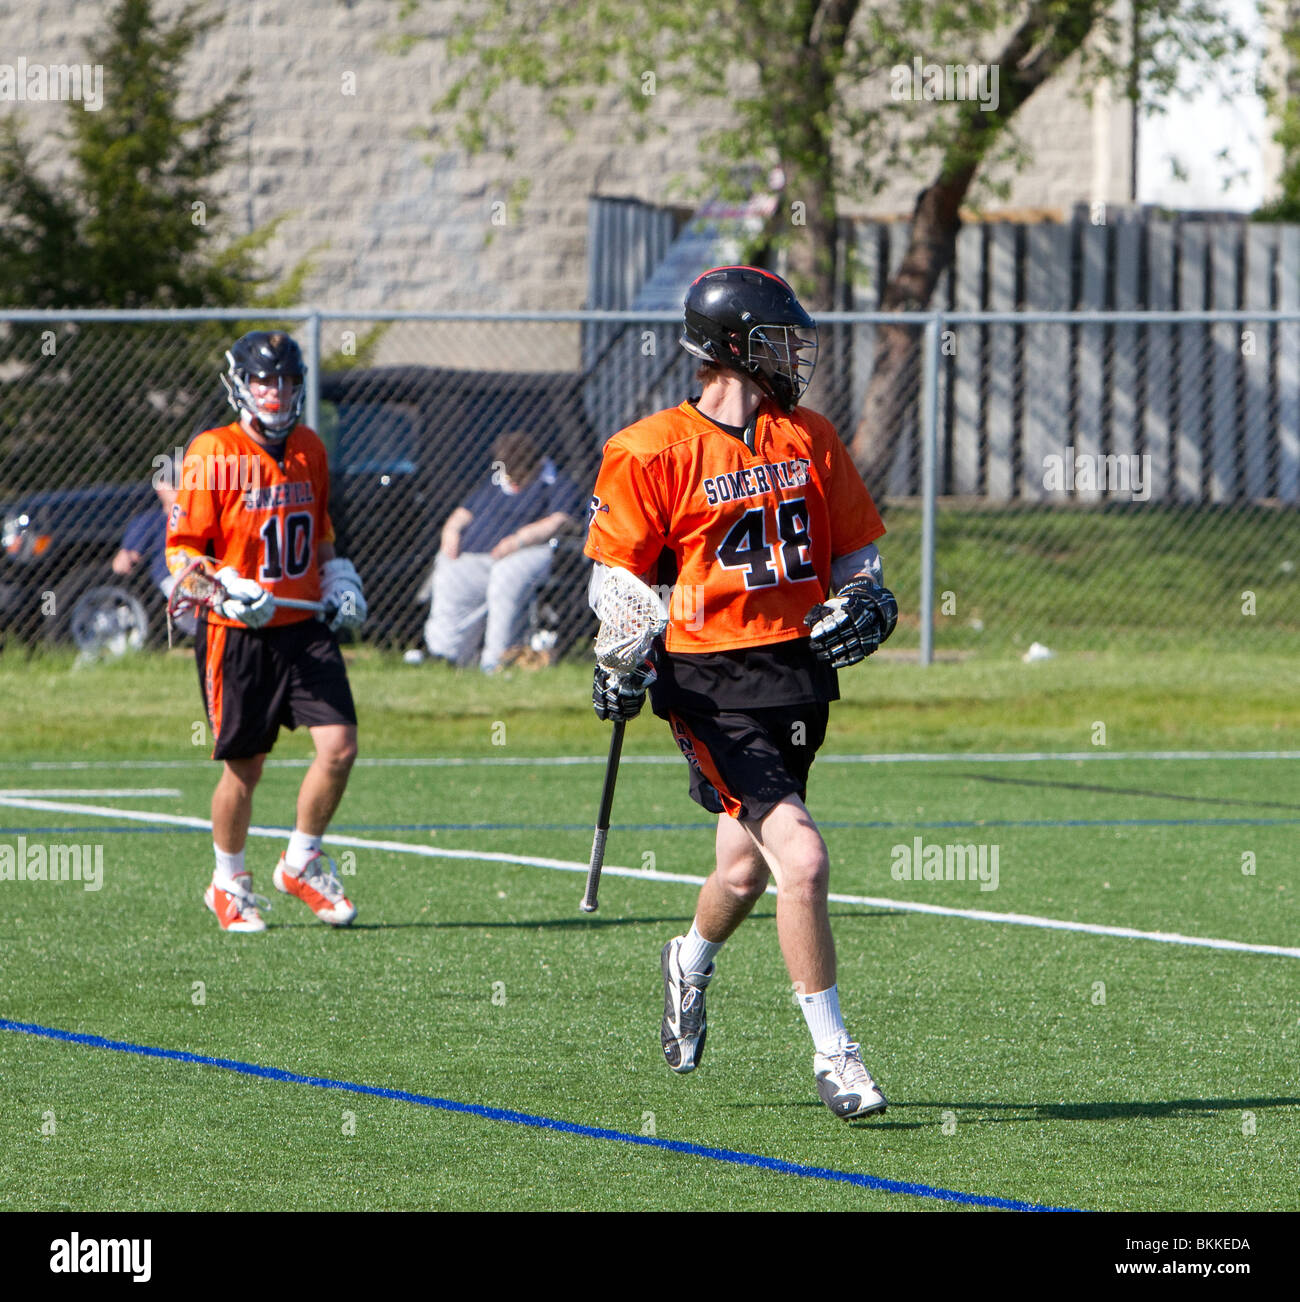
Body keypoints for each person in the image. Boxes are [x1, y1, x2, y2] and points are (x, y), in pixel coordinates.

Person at [584, 265, 898, 1121]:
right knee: (802, 857)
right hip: (707, 680)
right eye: (778, 342)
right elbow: (615, 573)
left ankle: (687, 961)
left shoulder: (810, 436)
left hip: (795, 675)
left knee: (743, 866)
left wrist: (867, 600)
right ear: (733, 349)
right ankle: (836, 1056)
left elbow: (855, 554)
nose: (795, 357)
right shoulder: (652, 448)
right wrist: (621, 651)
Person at [165, 330, 367, 933]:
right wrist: (224, 586)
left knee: (340, 747)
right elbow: (180, 560)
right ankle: (227, 880)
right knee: (245, 766)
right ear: (239, 385)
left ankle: (301, 860)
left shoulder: (310, 446)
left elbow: (320, 527)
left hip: (303, 624)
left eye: (284, 380)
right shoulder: (211, 451)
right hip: (239, 633)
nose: (275, 393)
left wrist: (338, 577)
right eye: (262, 380)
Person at [420, 430, 581, 671]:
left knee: (506, 575)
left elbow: (561, 520)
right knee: (450, 571)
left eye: (519, 475)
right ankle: (446, 657)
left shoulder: (556, 482)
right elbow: (465, 511)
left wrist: (518, 540)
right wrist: (451, 531)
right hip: (479, 554)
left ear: (534, 466)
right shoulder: (495, 481)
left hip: (527, 554)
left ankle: (497, 661)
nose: (513, 480)